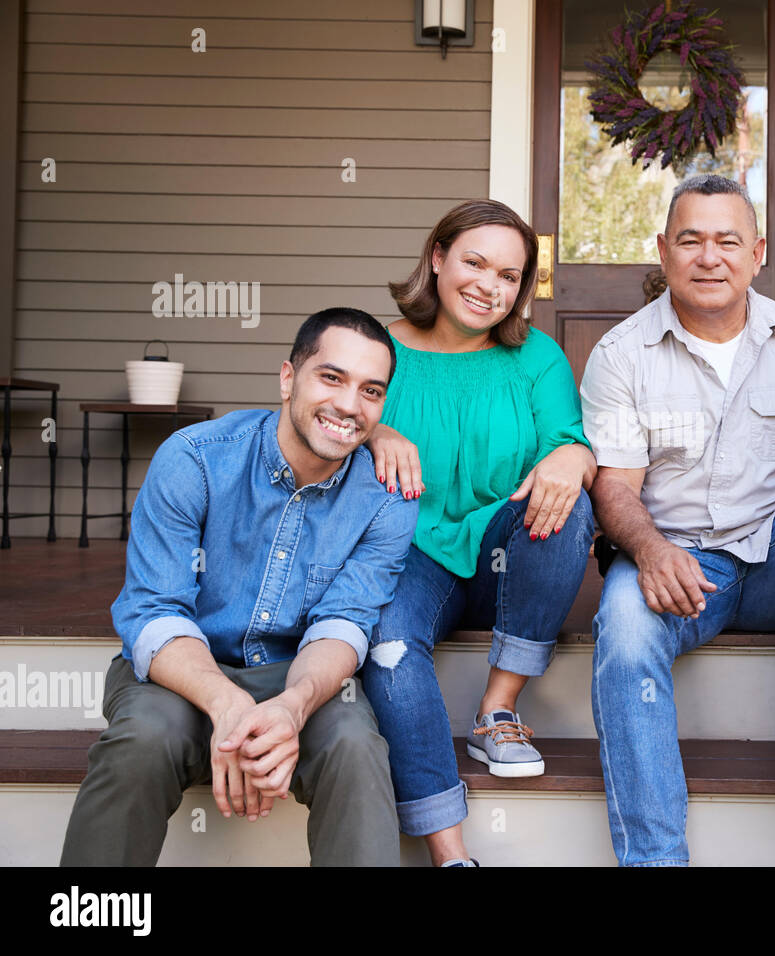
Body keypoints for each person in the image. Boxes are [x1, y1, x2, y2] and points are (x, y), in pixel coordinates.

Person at [580, 174, 775, 866]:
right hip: (681, 567)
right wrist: (650, 550)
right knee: (625, 634)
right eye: (690, 240)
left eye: (727, 241)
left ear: (757, 253)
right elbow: (616, 487)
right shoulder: (621, 355)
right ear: (662, 252)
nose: (709, 257)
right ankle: (657, 860)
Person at [60, 308, 418, 866]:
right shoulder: (195, 459)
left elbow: (344, 625)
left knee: (353, 743)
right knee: (142, 739)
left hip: (297, 671)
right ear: (287, 378)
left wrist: (293, 708)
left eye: (370, 391)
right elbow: (155, 611)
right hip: (178, 671)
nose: (349, 405)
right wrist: (227, 704)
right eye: (332, 377)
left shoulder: (388, 500)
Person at [361, 199, 596, 867]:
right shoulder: (377, 349)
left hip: (506, 560)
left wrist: (570, 456)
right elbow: (322, 421)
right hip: (409, 552)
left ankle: (498, 708)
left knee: (567, 499)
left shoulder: (535, 358)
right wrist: (374, 430)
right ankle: (450, 853)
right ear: (436, 259)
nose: (489, 286)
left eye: (509, 275)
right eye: (474, 263)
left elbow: (570, 444)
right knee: (386, 645)